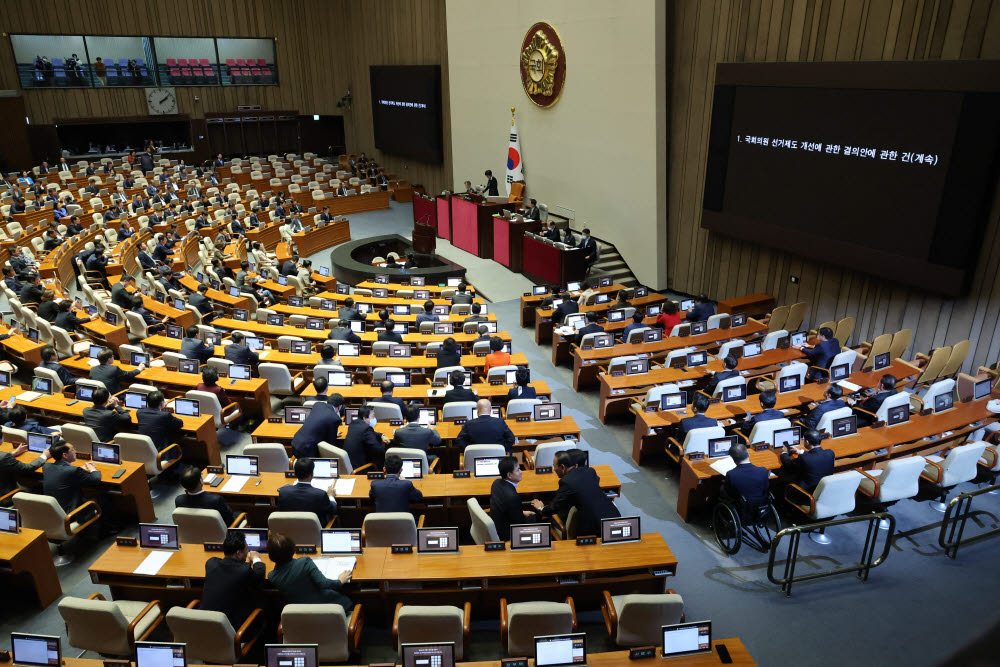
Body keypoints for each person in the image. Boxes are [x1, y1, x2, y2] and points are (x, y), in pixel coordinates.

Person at [532, 450, 620, 536]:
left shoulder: (566, 482)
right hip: (614, 517)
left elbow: (554, 507)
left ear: (562, 467)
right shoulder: (590, 471)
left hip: (595, 528)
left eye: (554, 466)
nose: (554, 469)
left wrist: (541, 508)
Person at [267, 532, 353, 609]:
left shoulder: (272, 576)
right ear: (293, 550)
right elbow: (324, 584)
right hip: (329, 609)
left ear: (270, 556)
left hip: (304, 617)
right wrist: (340, 581)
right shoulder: (304, 562)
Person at [200, 531, 266, 631]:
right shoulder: (244, 571)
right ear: (239, 553)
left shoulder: (210, 563)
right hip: (232, 630)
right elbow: (259, 575)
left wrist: (241, 564)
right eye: (246, 549)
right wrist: (255, 558)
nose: (248, 552)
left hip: (204, 625)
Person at [43, 442, 102, 515]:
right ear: (65, 455)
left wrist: (79, 469)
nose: (75, 452)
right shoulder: (73, 471)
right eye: (73, 450)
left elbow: (63, 473)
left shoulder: (46, 467)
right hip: (71, 513)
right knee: (102, 498)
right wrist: (92, 469)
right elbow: (95, 480)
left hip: (53, 512)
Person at [277, 458, 337, 525]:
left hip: (291, 530)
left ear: (295, 473)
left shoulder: (283, 492)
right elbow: (333, 509)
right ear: (312, 474)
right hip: (315, 531)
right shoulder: (320, 495)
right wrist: (331, 496)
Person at [490, 456, 538, 540]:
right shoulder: (512, 497)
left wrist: (521, 512)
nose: (521, 472)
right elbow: (518, 524)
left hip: (499, 524)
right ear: (509, 475)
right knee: (534, 517)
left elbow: (506, 507)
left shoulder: (496, 483)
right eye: (518, 469)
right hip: (508, 535)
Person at [291, 383, 343, 459]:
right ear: (340, 406)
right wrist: (334, 434)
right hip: (307, 450)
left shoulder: (317, 405)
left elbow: (319, 423)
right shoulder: (335, 418)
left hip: (295, 442)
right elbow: (330, 443)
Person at [136, 391, 184, 455]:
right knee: (183, 446)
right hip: (161, 453)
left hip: (145, 450)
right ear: (162, 403)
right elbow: (179, 423)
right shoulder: (165, 415)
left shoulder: (139, 412)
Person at [341, 405, 389, 469]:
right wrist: (387, 454)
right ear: (365, 418)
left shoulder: (353, 424)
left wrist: (381, 436)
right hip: (360, 467)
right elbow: (378, 449)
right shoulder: (366, 429)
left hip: (351, 462)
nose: (374, 418)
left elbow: (369, 432)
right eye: (372, 416)